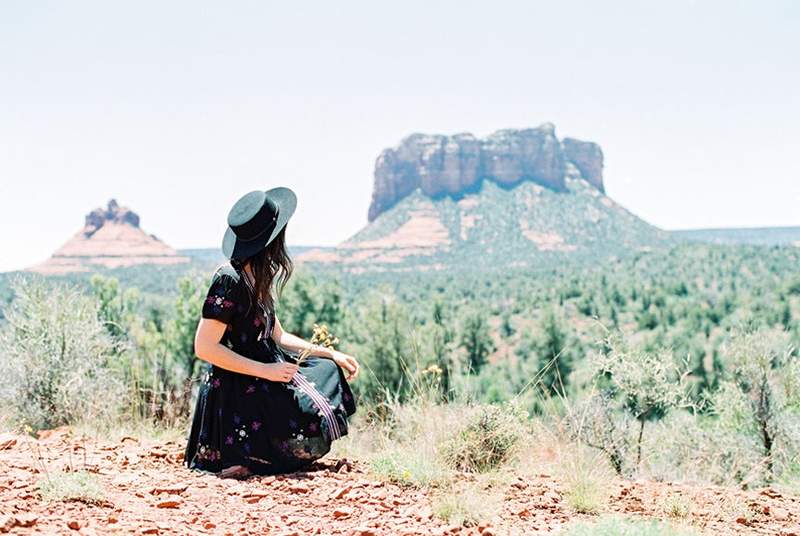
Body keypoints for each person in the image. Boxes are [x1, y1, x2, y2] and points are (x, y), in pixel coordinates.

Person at [184, 187, 359, 478]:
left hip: (266, 373)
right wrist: (266, 371)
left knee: (326, 368)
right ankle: (245, 455)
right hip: (238, 385)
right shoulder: (229, 280)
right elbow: (205, 348)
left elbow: (278, 336)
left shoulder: (258, 278)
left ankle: (267, 452)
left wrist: (330, 353)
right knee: (282, 436)